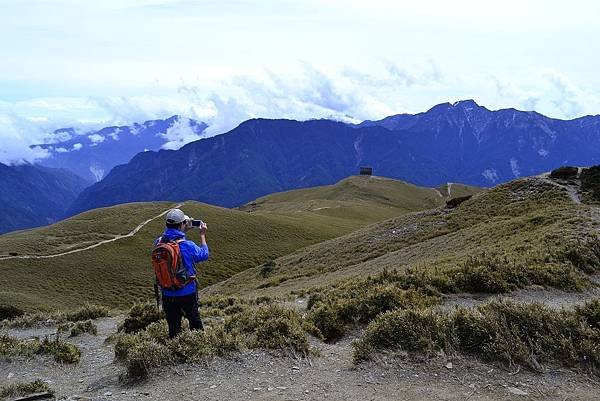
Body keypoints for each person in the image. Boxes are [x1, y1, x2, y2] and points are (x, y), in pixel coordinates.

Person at [154, 208, 209, 339]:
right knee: (194, 322)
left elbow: (170, 240)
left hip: (167, 291)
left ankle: (175, 351)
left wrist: (182, 230)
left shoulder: (159, 242)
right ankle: (199, 346)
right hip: (187, 291)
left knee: (173, 327)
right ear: (182, 224)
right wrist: (202, 235)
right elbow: (204, 255)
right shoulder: (188, 245)